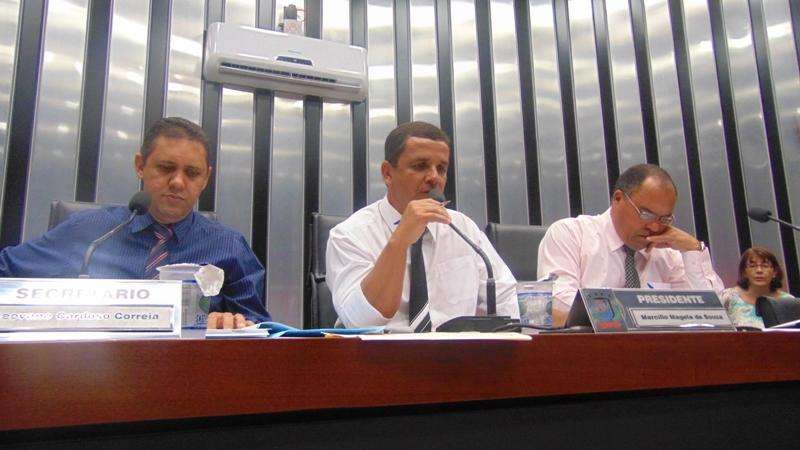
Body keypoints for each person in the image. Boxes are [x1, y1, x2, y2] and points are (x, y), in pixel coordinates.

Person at [0, 117, 270, 329]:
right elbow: (6, 271)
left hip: (190, 373)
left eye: (192, 173)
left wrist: (231, 323)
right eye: (166, 168)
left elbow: (258, 326)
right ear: (140, 166)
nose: (178, 182)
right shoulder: (89, 232)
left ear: (206, 179)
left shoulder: (228, 246)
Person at [326, 121, 519, 332]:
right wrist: (400, 240)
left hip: (456, 350)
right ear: (388, 173)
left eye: (441, 169)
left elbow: (506, 297)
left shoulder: (462, 228)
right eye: (420, 166)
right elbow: (361, 321)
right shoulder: (349, 235)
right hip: (381, 350)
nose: (434, 177)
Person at [538, 164, 724, 327]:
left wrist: (692, 248)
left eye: (664, 219)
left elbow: (715, 315)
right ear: (618, 198)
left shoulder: (668, 252)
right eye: (646, 214)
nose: (655, 227)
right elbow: (559, 306)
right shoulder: (571, 234)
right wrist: (642, 314)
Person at [720, 247, 793, 328]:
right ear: (744, 272)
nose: (759, 270)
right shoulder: (728, 297)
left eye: (765, 266)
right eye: (752, 266)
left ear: (775, 272)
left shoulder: (789, 301)